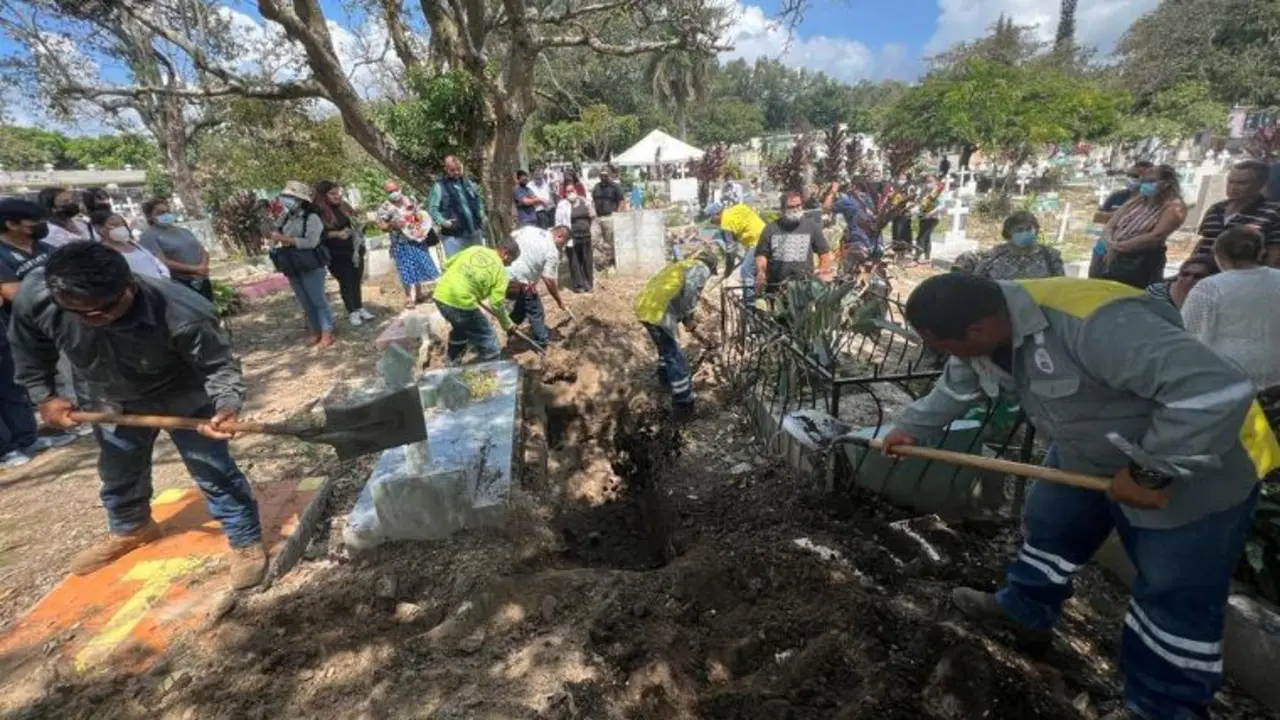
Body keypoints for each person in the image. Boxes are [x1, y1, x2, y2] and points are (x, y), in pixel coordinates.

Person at [882, 272, 1279, 720]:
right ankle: (1024, 610)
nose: (945, 355)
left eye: (945, 345)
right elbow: (957, 385)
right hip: (1092, 449)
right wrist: (912, 427)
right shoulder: (985, 326)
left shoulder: (1095, 322)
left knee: (1173, 591)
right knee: (1051, 522)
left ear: (977, 330)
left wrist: (1150, 471)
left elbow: (1215, 390)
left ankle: (1163, 707)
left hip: (1198, 460)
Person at [11, 242, 267, 589]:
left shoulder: (183, 310)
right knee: (119, 469)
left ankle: (245, 540)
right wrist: (45, 396)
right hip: (106, 396)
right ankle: (132, 528)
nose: (93, 320)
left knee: (212, 469)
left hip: (182, 393)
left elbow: (219, 367)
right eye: (79, 313)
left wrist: (225, 407)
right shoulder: (38, 294)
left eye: (103, 310)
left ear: (129, 285)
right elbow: (29, 348)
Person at [0, 199, 77, 468]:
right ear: (11, 224)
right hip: (29, 330)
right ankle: (8, 447)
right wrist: (60, 293)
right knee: (37, 381)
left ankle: (29, 438)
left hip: (64, 320)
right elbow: (12, 292)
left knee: (17, 390)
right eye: (33, 222)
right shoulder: (2, 254)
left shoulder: (43, 247)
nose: (40, 227)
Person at [1182, 227, 1280, 432]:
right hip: (1275, 376)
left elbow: (1187, 335)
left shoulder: (1210, 286)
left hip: (1227, 379)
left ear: (1219, 255)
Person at [634, 248, 719, 415]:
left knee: (665, 347)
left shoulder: (681, 265)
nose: (709, 277)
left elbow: (674, 290)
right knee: (674, 355)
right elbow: (690, 290)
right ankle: (683, 401)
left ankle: (664, 380)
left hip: (644, 306)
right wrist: (688, 316)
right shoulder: (700, 268)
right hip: (658, 310)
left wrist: (688, 319)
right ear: (711, 266)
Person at [1096, 163, 1186, 289]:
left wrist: (1118, 247)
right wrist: (1109, 243)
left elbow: (1156, 236)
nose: (1144, 185)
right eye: (1143, 181)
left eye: (1150, 181)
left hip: (1138, 263)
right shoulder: (1138, 200)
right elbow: (1111, 224)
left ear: (1165, 183)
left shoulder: (1174, 207)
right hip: (1109, 255)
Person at [267, 181, 335, 348]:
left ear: (300, 199)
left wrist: (285, 240)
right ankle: (315, 331)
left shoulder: (312, 218)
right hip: (291, 263)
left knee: (317, 299)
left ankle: (327, 331)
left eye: (290, 197)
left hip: (310, 262)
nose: (285, 200)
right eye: (285, 196)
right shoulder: (285, 217)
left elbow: (311, 242)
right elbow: (275, 232)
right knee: (304, 300)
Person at [432, 239, 519, 364]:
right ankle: (490, 378)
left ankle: (451, 363)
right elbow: (497, 304)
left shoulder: (475, 249)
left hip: (440, 296)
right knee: (490, 344)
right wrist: (507, 325)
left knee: (460, 329)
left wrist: (466, 285)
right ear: (505, 253)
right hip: (461, 304)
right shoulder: (500, 272)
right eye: (511, 261)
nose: (509, 265)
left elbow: (446, 265)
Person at [1192, 160, 1280, 267]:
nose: (1233, 187)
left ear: (1260, 184)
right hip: (1202, 275)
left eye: (1242, 183)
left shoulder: (1274, 212)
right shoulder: (1215, 209)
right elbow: (1203, 242)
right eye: (1231, 181)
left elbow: (1274, 253)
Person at [311, 181, 372, 327]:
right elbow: (317, 234)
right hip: (336, 253)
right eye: (332, 193)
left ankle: (359, 307)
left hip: (354, 250)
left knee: (356, 279)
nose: (337, 196)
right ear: (323, 195)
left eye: (338, 192)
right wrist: (335, 234)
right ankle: (352, 311)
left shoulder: (344, 206)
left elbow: (355, 220)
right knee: (346, 281)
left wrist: (361, 225)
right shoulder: (318, 211)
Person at [754, 192, 833, 295]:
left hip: (804, 287)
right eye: (791, 207)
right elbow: (761, 254)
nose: (795, 209)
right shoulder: (771, 229)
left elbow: (824, 252)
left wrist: (823, 271)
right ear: (783, 209)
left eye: (798, 205)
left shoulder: (811, 226)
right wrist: (761, 274)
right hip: (776, 288)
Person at [377, 180, 440, 308]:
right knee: (405, 269)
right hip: (400, 243)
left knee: (418, 265)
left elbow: (419, 215)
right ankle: (408, 297)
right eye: (390, 192)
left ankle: (419, 294)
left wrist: (420, 225)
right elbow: (381, 225)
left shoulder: (410, 200)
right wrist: (391, 225)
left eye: (395, 189)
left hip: (416, 238)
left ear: (400, 188)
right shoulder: (385, 207)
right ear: (386, 193)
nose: (394, 193)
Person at [506, 225, 571, 348]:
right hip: (520, 280)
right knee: (536, 311)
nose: (562, 246)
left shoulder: (530, 230)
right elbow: (549, 280)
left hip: (505, 273)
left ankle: (510, 326)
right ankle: (542, 344)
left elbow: (510, 237)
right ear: (559, 236)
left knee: (524, 302)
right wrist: (559, 301)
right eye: (564, 242)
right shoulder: (552, 251)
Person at [139, 198, 212, 299]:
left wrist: (203, 267)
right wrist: (195, 269)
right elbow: (161, 262)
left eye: (168, 211)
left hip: (202, 279)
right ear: (150, 217)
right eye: (160, 213)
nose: (166, 214)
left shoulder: (184, 231)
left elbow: (202, 250)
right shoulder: (149, 236)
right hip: (180, 283)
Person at [973, 211, 1065, 281]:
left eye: (1029, 229)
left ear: (1036, 230)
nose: (1025, 233)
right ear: (1009, 233)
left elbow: (1060, 285)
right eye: (1019, 230)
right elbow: (976, 282)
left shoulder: (1049, 255)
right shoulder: (994, 256)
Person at [428, 156, 487, 258]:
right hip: (453, 237)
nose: (456, 172)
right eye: (452, 170)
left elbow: (478, 200)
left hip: (475, 232)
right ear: (446, 169)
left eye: (458, 169)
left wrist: (481, 213)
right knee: (458, 267)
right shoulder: (439, 186)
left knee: (479, 263)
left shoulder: (469, 183)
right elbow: (432, 209)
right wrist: (443, 221)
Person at [708, 201, 766, 300]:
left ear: (717, 214)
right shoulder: (736, 209)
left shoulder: (725, 224)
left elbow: (731, 251)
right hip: (766, 233)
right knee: (756, 270)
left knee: (746, 270)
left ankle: (750, 303)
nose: (714, 224)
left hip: (758, 242)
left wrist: (728, 270)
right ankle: (760, 296)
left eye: (713, 220)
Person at [90, 211, 171, 280]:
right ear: (99, 229)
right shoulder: (103, 253)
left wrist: (165, 278)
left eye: (122, 224)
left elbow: (157, 263)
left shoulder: (133, 244)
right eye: (114, 225)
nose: (121, 227)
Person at [556, 184, 596, 293]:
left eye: (571, 191)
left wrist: (590, 218)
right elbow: (558, 223)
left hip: (586, 236)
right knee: (574, 261)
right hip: (571, 238)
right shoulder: (562, 205)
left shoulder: (585, 201)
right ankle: (578, 286)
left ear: (575, 191)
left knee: (587, 260)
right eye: (567, 192)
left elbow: (592, 216)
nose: (570, 193)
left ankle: (588, 284)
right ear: (565, 194)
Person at [1144, 256, 1217, 309]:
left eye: (1198, 276)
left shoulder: (1212, 298)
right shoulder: (1156, 290)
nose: (1189, 279)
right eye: (1185, 274)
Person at [592, 167, 626, 268]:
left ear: (609, 175)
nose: (603, 177)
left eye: (605, 175)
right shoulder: (596, 187)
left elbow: (621, 201)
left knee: (609, 242)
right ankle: (601, 260)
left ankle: (610, 262)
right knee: (593, 239)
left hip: (609, 217)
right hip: (597, 218)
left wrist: (618, 214)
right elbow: (593, 200)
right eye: (601, 175)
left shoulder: (615, 187)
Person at [915, 175, 944, 262]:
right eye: (927, 181)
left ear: (935, 182)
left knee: (921, 237)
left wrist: (930, 213)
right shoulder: (925, 191)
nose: (928, 183)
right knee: (926, 237)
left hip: (932, 217)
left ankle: (916, 257)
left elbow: (941, 205)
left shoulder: (938, 192)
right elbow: (920, 202)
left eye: (930, 181)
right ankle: (927, 257)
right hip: (923, 216)